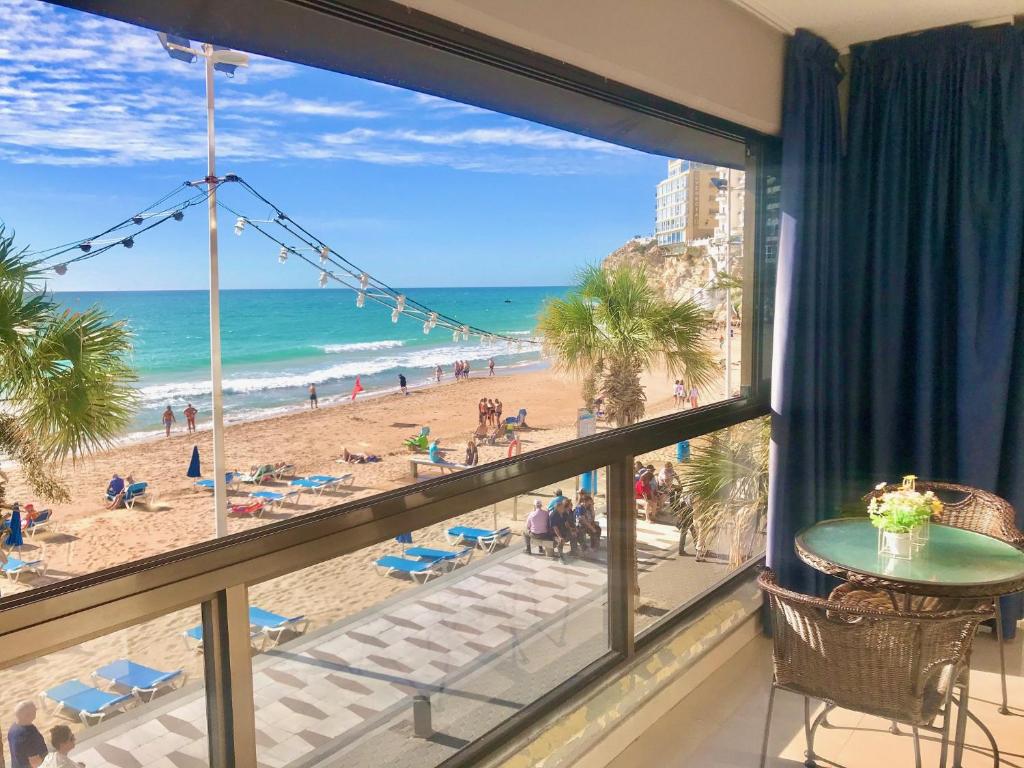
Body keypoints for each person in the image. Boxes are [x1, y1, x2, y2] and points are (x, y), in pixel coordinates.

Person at [8, 700, 46, 768]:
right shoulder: (27, 735)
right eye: (34, 711)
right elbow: (35, 762)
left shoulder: (13, 728)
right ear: (27, 715)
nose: (36, 712)